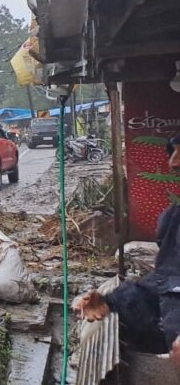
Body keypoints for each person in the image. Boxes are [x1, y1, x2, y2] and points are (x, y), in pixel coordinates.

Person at [73, 133, 180, 365]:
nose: (173, 163)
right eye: (173, 153)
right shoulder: (173, 219)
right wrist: (111, 301)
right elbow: (167, 280)